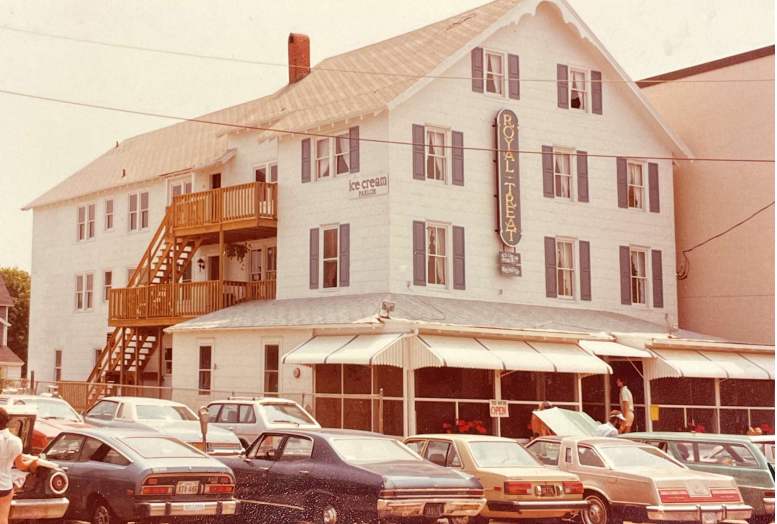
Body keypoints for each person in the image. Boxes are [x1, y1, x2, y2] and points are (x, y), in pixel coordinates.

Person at [0, 408, 37, 524]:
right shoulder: (16, 441)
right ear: (7, 422)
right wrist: (32, 461)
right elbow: (21, 466)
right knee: (3, 519)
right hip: (5, 486)